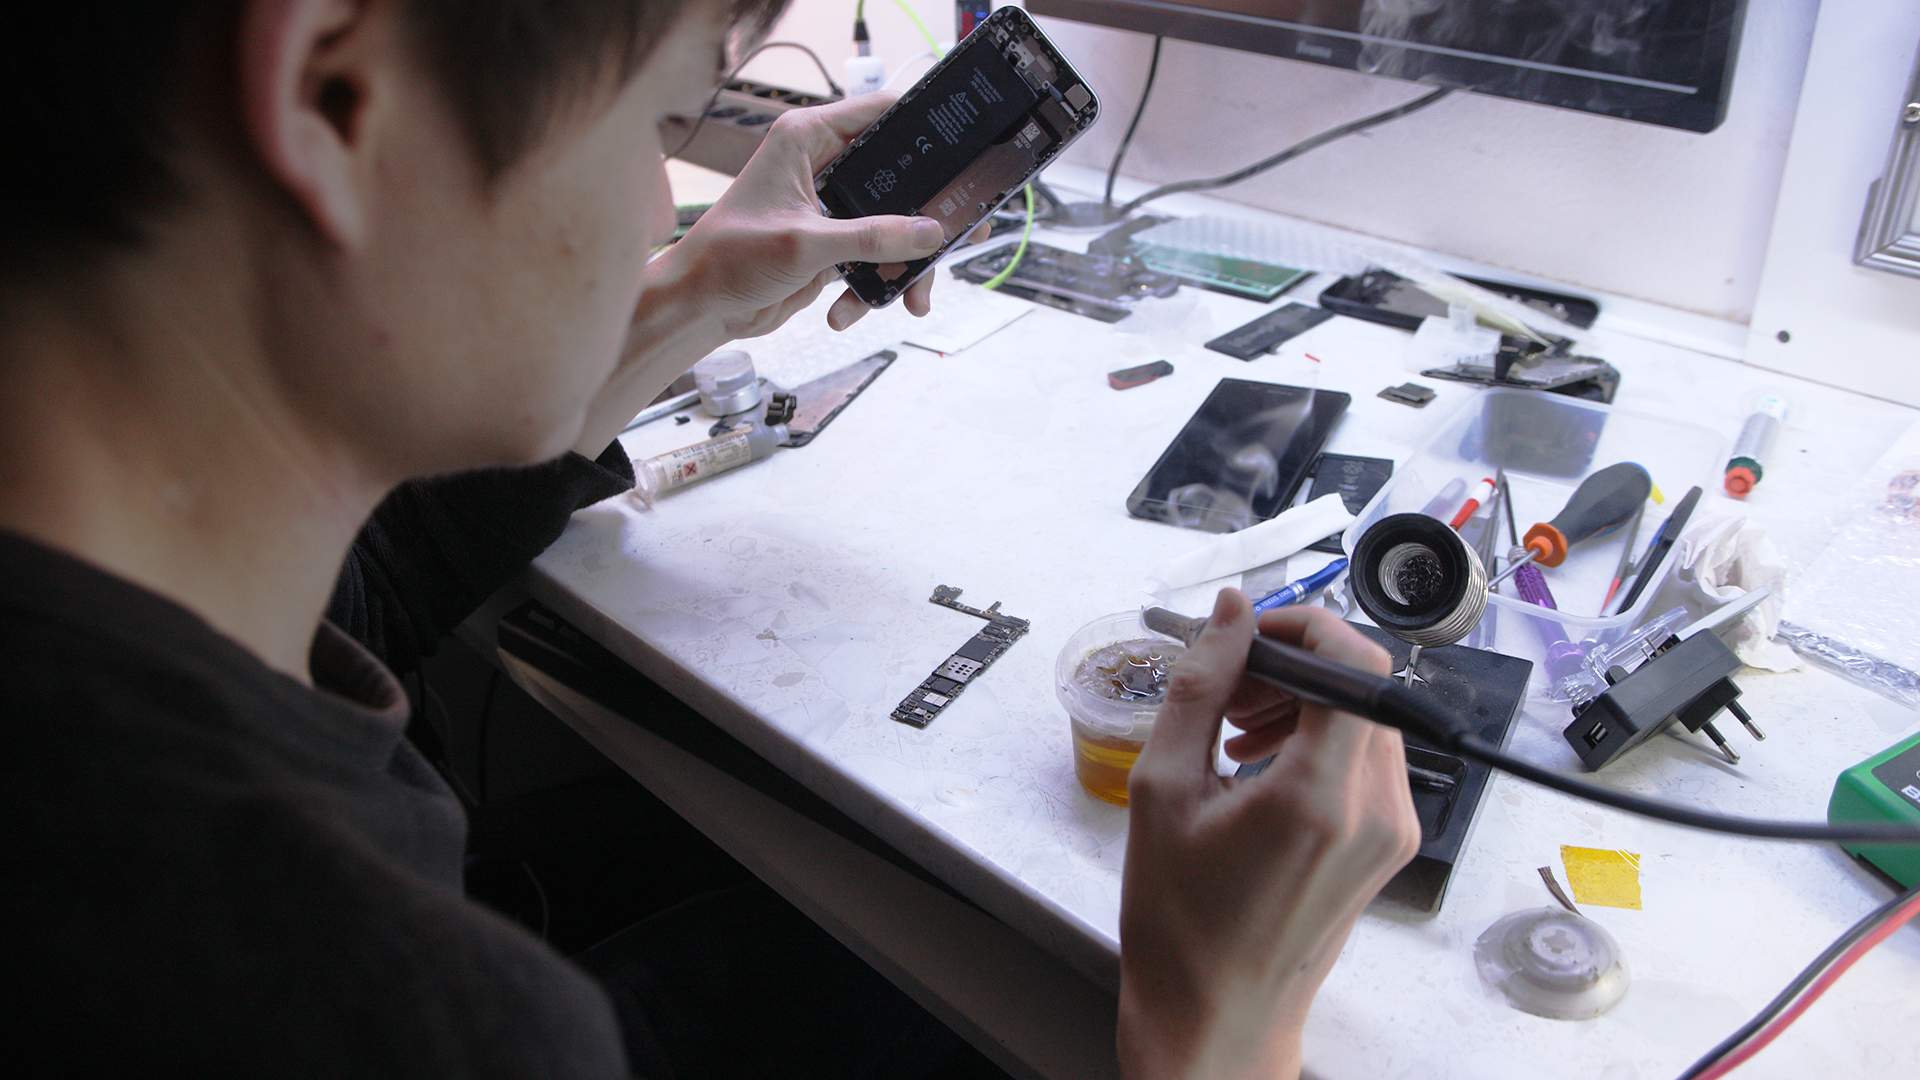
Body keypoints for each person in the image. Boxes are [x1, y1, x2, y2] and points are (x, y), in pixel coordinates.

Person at [0, 1, 1419, 1075]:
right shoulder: (388, 1011)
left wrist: (692, 301)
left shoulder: (131, 569)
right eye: (659, 126)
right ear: (336, 93)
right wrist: (1213, 1022)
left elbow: (375, 585)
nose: (654, 214)